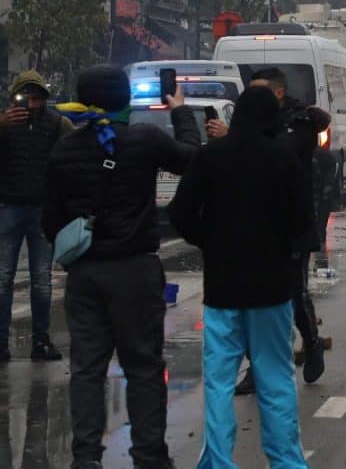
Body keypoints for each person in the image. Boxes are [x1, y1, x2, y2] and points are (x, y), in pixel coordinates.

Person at [42, 65, 199, 469]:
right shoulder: (144, 139)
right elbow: (192, 159)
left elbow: (50, 221)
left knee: (87, 370)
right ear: (125, 99)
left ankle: (86, 458)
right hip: (136, 270)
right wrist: (179, 111)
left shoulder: (64, 150)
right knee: (144, 367)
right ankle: (149, 456)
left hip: (86, 274)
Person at [169, 87, 310, 468]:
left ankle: (218, 461)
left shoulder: (211, 155)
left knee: (218, 380)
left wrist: (210, 241)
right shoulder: (285, 157)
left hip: (223, 287)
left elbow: (180, 213)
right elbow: (304, 223)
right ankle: (286, 462)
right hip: (272, 288)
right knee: (275, 377)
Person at [209, 67, 331, 391]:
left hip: (291, 223)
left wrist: (234, 140)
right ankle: (256, 366)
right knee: (254, 296)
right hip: (255, 223)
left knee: (294, 294)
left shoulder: (299, 121)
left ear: (277, 93)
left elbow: (283, 153)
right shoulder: (246, 124)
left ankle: (312, 341)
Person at [0, 71, 74, 362]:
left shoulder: (58, 124)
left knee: (42, 280)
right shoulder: (5, 124)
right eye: (24, 96)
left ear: (44, 98)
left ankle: (41, 341)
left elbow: (73, 158)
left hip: (42, 212)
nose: (30, 102)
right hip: (9, 208)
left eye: (35, 96)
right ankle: (1, 343)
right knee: (3, 278)